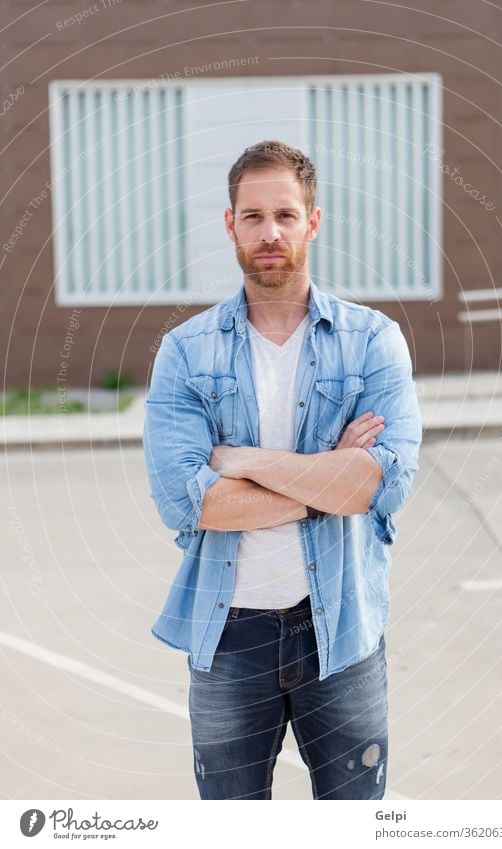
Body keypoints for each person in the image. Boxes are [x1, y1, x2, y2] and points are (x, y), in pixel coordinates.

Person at [143, 139, 422, 800]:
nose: (269, 232)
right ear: (230, 223)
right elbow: (186, 503)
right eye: (252, 215)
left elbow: (383, 482)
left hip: (341, 628)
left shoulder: (371, 340)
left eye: (285, 215)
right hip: (229, 632)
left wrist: (240, 463)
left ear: (312, 221)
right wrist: (330, 478)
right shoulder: (184, 352)